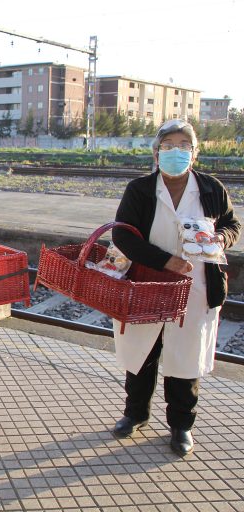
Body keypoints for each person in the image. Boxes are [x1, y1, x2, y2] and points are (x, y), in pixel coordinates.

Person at [111, 119, 240, 456]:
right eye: (168, 145)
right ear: (156, 153)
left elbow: (232, 224)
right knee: (142, 353)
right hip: (148, 282)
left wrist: (220, 238)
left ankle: (181, 425)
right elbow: (122, 235)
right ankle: (135, 414)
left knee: (186, 357)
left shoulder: (211, 188)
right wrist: (165, 261)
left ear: (194, 154)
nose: (175, 151)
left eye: (184, 145)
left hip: (196, 286)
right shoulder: (140, 189)